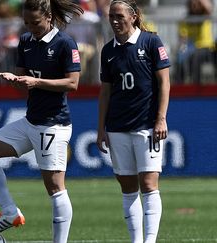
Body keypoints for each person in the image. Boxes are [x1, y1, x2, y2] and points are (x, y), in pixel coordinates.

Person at [0, 0, 83, 242]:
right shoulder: (25, 42)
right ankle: (10, 212)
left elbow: (73, 83)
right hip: (31, 121)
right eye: (26, 22)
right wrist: (16, 82)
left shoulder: (65, 43)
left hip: (54, 123)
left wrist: (36, 83)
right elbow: (25, 85)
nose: (31, 27)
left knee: (55, 188)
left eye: (36, 22)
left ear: (49, 18)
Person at [96, 1, 170, 243]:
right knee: (127, 187)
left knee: (149, 184)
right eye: (111, 16)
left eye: (119, 16)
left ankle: (149, 240)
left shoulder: (151, 42)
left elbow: (164, 84)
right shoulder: (108, 51)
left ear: (134, 16)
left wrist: (161, 119)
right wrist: (101, 128)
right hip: (117, 127)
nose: (115, 21)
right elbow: (105, 92)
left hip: (147, 125)